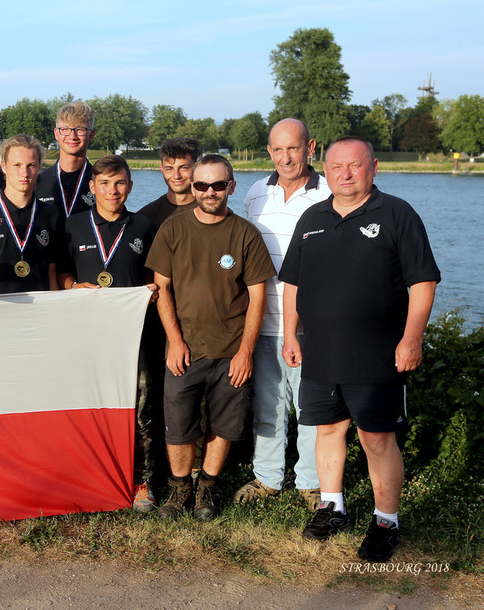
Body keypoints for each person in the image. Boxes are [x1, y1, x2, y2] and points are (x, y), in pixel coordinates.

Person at [280, 136, 439, 562]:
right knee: (327, 430)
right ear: (325, 169)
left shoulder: (397, 213)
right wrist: (290, 335)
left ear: (373, 167)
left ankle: (386, 521)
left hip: (377, 355)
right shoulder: (312, 217)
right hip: (319, 352)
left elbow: (423, 282)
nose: (344, 174)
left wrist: (411, 338)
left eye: (354, 165)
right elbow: (292, 283)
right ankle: (332, 508)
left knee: (376, 439)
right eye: (336, 167)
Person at [145, 154, 275, 520]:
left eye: (218, 185)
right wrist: (174, 341)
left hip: (230, 350)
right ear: (193, 186)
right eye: (201, 185)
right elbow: (162, 289)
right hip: (185, 350)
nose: (210, 191)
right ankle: (179, 488)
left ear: (231, 187)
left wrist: (246, 351)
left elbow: (257, 295)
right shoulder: (173, 229)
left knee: (224, 425)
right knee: (179, 425)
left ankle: (207, 489)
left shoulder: (246, 234)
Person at [234, 118, 330, 513]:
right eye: (277, 149)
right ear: (269, 151)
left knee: (311, 407)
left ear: (310, 148)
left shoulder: (328, 193)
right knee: (268, 405)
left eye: (294, 148)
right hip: (263, 321)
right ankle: (268, 477)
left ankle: (310, 483)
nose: (285, 157)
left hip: (311, 325)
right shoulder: (256, 193)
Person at [57, 155, 160, 511]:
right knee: (88, 409)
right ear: (92, 187)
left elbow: (155, 280)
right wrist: (72, 286)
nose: (112, 191)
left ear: (129, 186)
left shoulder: (145, 227)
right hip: (87, 339)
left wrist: (147, 295)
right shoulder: (72, 226)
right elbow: (59, 274)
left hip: (135, 339)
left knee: (141, 412)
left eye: (119, 183)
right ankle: (88, 478)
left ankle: (142, 483)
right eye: (104, 183)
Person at [0, 135, 63, 293]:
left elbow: (52, 273)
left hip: (39, 310)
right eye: (17, 165)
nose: (24, 173)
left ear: (39, 167)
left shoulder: (51, 215)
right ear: (4, 166)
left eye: (31, 165)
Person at [35, 101, 96, 218]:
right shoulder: (38, 181)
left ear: (91, 135)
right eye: (65, 129)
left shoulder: (101, 182)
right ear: (56, 134)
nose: (72, 136)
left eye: (80, 130)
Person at [137, 138, 201, 229]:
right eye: (169, 169)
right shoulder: (145, 217)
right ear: (162, 170)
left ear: (196, 168)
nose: (176, 176)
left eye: (183, 167)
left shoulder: (212, 211)